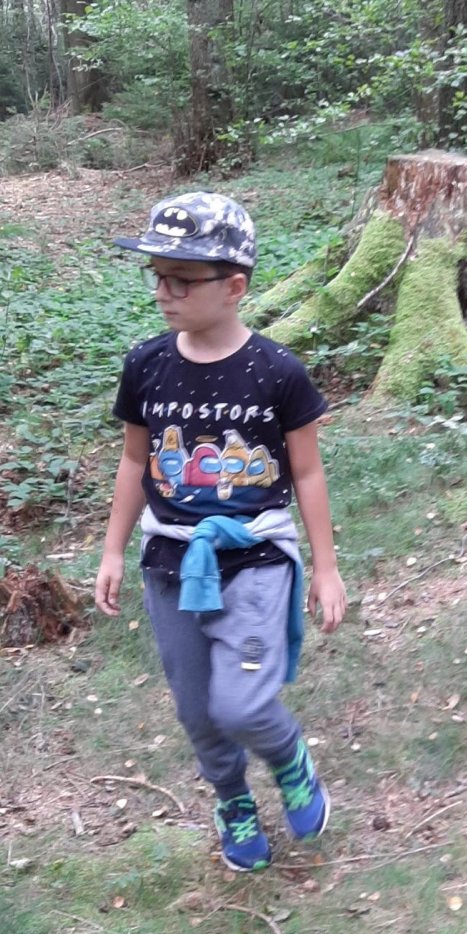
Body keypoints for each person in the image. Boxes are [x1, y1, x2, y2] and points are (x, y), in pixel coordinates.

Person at [94, 192, 347, 872]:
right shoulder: (146, 365)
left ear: (234, 287)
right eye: (157, 276)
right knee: (199, 711)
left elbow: (308, 473)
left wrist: (325, 568)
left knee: (241, 704)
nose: (163, 292)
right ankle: (233, 799)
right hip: (170, 562)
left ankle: (289, 759)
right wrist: (113, 549)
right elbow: (134, 460)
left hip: (254, 557)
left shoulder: (278, 373)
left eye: (182, 279)